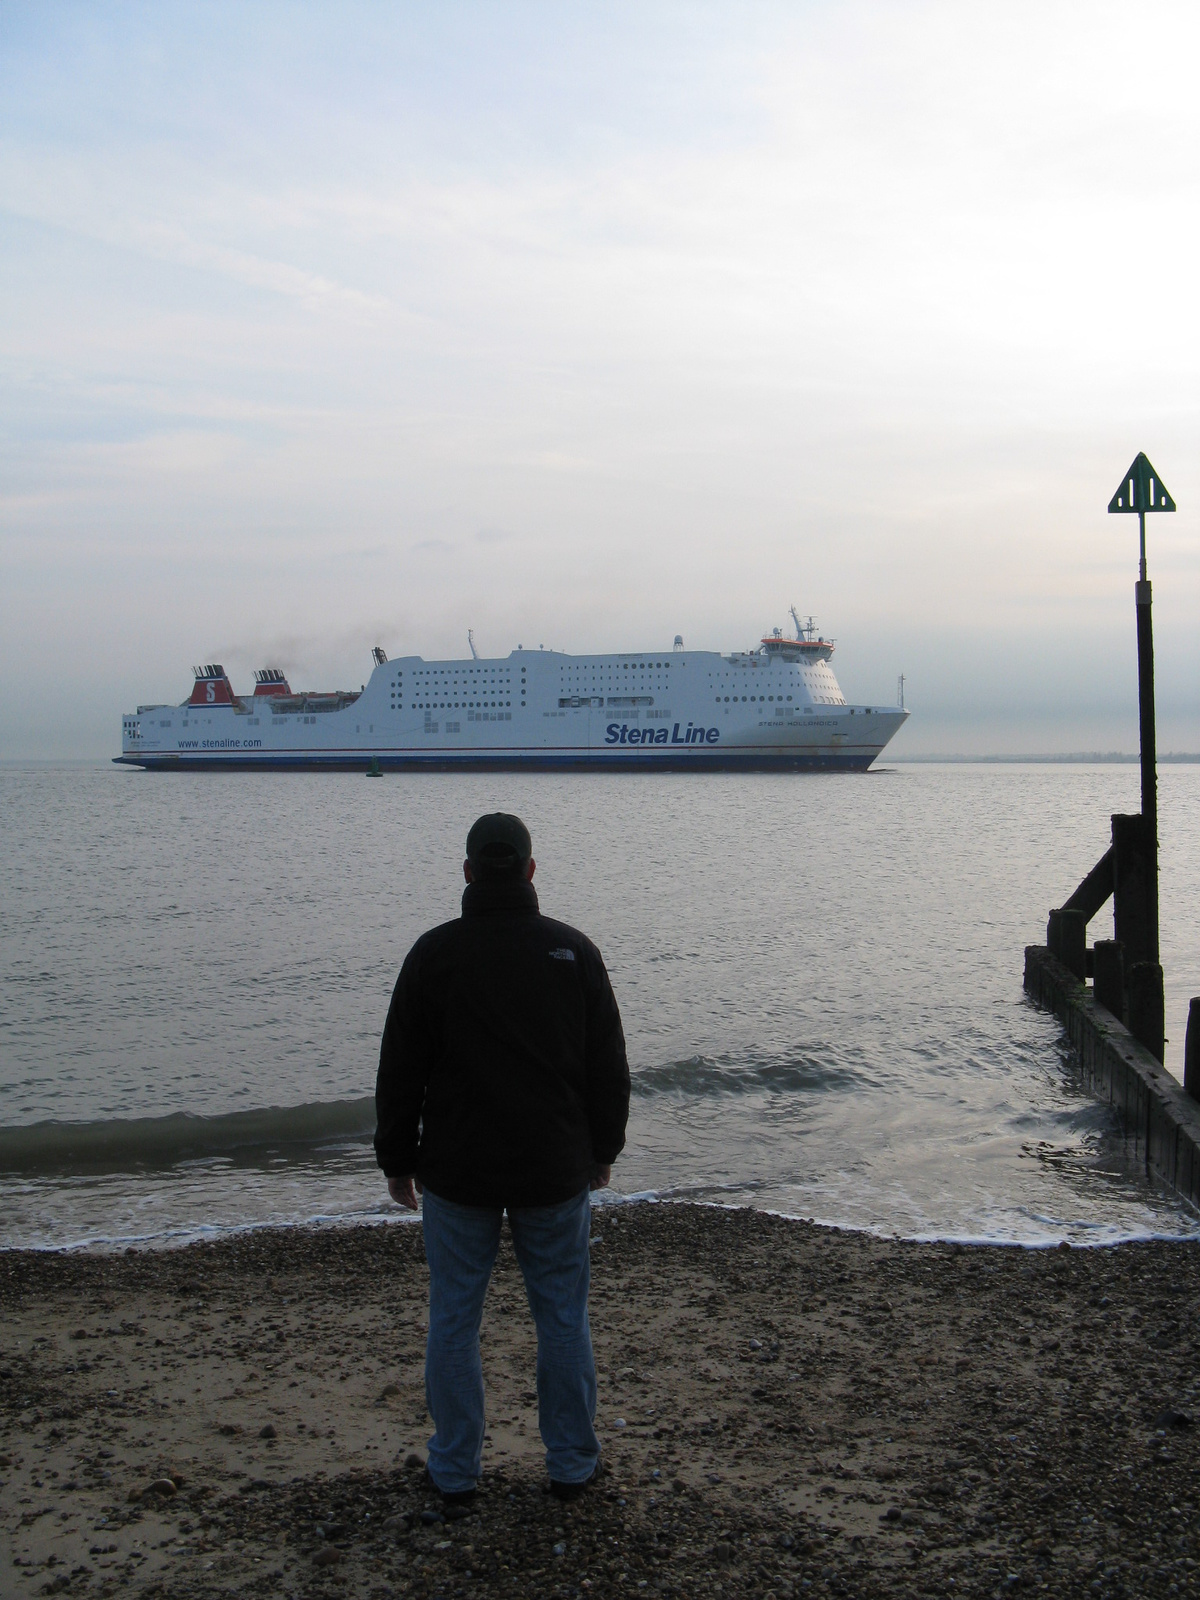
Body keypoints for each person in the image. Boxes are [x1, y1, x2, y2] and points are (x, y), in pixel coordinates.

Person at [375, 812, 630, 1504]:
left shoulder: (434, 954)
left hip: (458, 1171)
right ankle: (571, 1465)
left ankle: (455, 1471)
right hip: (553, 1165)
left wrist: (396, 1159)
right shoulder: (572, 951)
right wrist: (603, 1148)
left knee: (454, 1317)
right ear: (530, 869)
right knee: (562, 1318)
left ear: (466, 872)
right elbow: (606, 1066)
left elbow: (400, 1068)